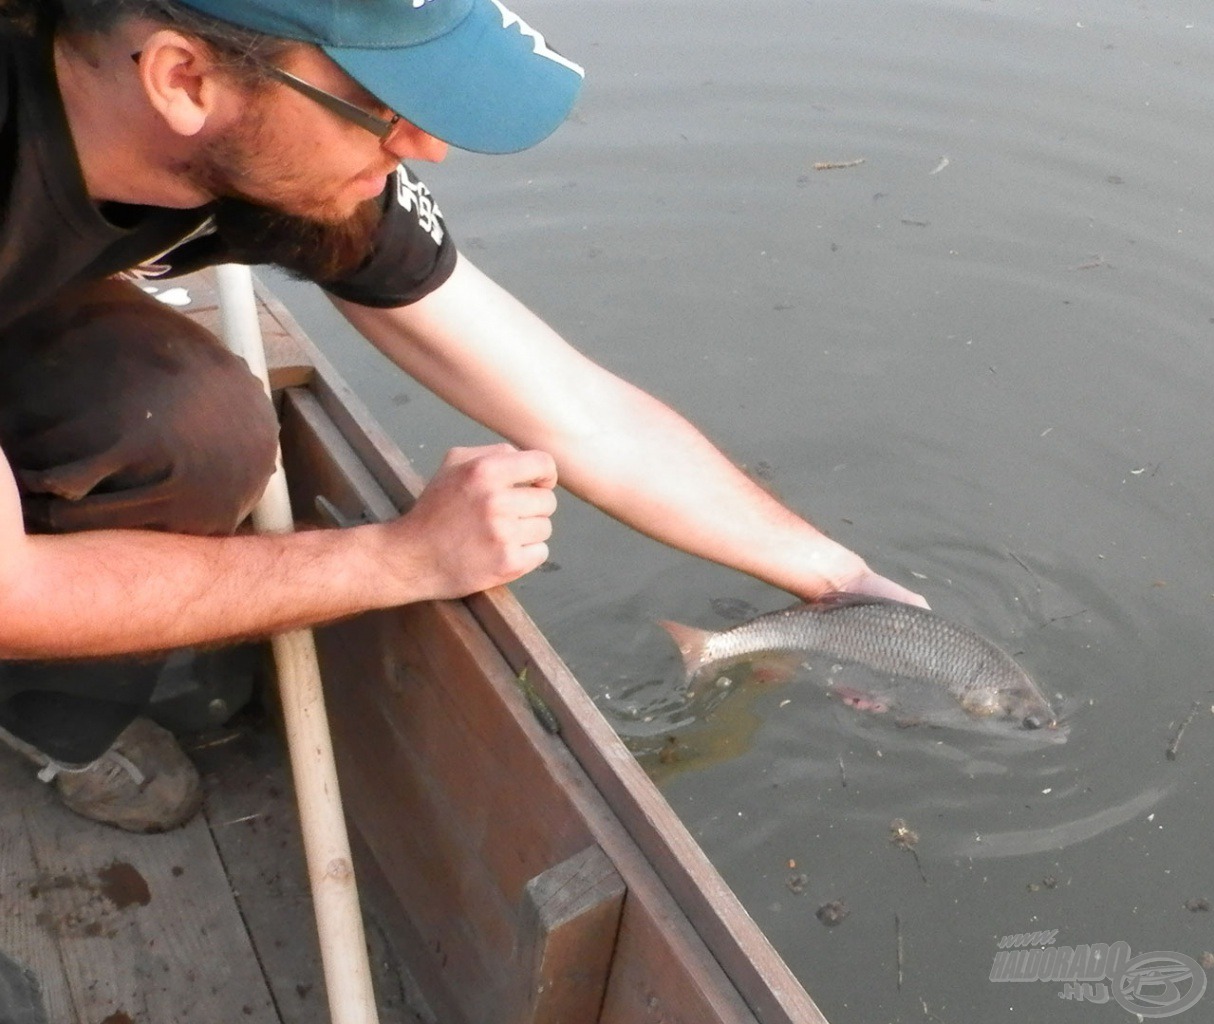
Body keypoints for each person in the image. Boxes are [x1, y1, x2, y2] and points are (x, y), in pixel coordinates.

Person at [0, 0, 926, 832]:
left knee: (190, 425)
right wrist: (398, 557)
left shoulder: (301, 166)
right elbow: (11, 596)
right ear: (183, 77)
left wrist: (836, 580)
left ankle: (49, 704)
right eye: (382, 105)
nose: (427, 145)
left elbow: (574, 410)